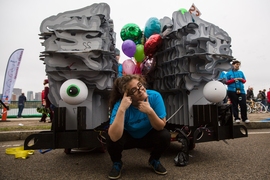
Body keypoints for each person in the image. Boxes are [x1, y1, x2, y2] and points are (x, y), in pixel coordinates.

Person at [106, 74, 171, 179]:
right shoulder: (120, 104)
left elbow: (160, 127)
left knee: (165, 135)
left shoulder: (154, 96)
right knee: (110, 136)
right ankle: (117, 163)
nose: (140, 90)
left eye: (140, 85)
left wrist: (150, 112)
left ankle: (154, 159)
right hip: (128, 138)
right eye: (134, 90)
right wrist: (122, 109)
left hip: (147, 136)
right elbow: (114, 137)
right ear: (126, 95)